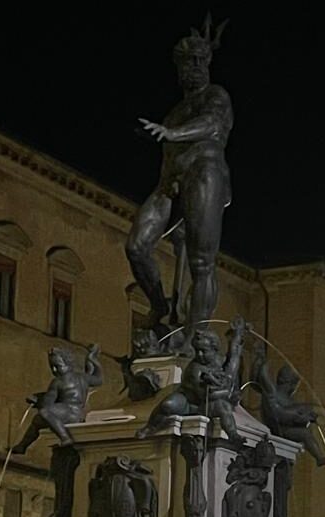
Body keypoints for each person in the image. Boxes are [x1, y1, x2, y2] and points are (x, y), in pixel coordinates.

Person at [125, 14, 232, 332]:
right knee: (136, 246)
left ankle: (195, 337)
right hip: (169, 183)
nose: (195, 68)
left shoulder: (216, 96)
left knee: (201, 262)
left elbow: (211, 124)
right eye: (188, 63)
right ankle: (159, 304)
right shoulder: (173, 113)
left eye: (200, 61)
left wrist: (172, 134)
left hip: (205, 173)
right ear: (179, 69)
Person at [252, 344, 325, 466]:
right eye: (295, 384)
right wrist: (262, 359)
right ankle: (319, 458)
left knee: (305, 422)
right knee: (305, 432)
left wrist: (304, 418)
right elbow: (262, 377)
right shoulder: (272, 391)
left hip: (284, 427)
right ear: (291, 383)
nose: (295, 388)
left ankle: (319, 458)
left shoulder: (290, 400)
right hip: (278, 427)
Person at [11, 344, 102, 454]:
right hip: (78, 414)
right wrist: (92, 359)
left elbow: (46, 405)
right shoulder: (82, 377)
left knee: (44, 413)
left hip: (67, 412)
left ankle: (65, 438)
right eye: (52, 367)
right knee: (37, 421)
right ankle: (22, 446)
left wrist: (37, 399)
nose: (54, 370)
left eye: (57, 366)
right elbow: (99, 379)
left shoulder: (57, 382)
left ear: (68, 364)